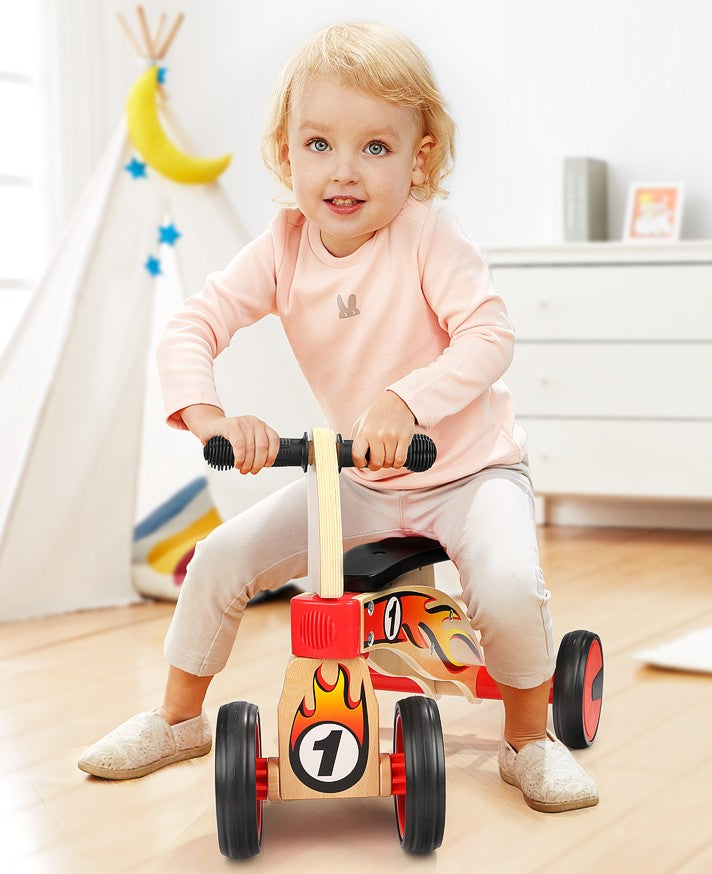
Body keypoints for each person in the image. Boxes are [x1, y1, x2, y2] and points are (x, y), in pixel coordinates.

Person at [79, 21, 598, 812]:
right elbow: (194, 325)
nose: (344, 171)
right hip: (356, 476)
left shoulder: (428, 236)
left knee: (508, 582)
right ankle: (178, 719)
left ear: (419, 158)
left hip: (468, 470)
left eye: (377, 148)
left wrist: (406, 399)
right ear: (286, 154)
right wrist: (212, 417)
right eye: (319, 143)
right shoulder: (284, 247)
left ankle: (529, 739)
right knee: (221, 559)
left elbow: (489, 334)